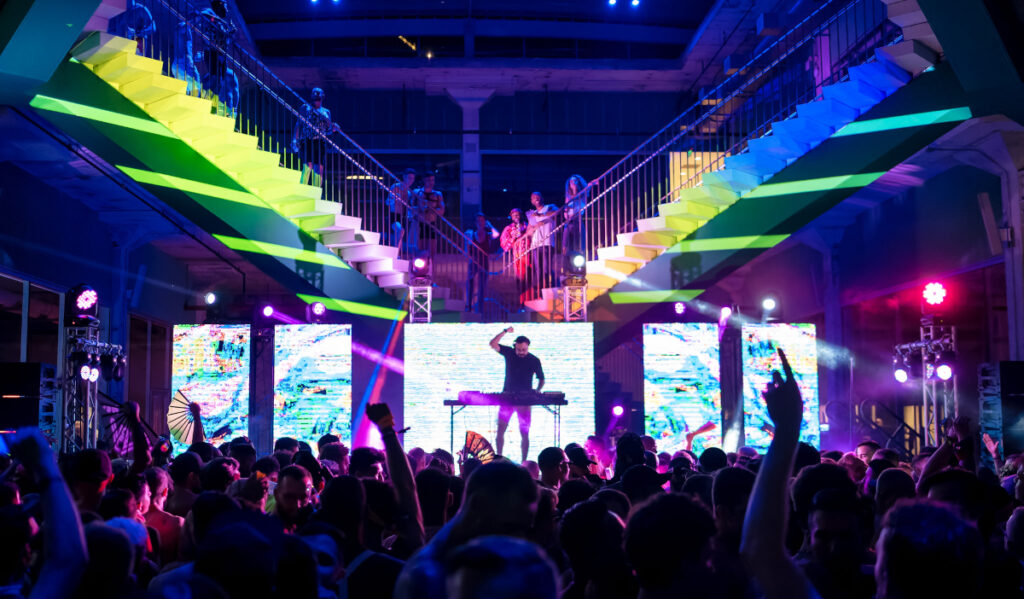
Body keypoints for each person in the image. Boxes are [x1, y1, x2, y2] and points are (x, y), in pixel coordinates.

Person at [489, 327, 546, 462]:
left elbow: (541, 379)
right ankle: (499, 458)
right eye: (519, 350)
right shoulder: (509, 353)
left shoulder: (534, 360)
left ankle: (524, 462)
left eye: (524, 350)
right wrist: (504, 331)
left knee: (524, 433)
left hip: (525, 399)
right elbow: (492, 344)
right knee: (500, 430)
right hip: (507, 396)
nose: (521, 352)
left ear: (528, 348)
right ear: (515, 347)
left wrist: (537, 391)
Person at [291, 87, 342, 188]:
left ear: (322, 96)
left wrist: (334, 128)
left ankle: (316, 192)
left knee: (319, 168)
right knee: (308, 165)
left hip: (320, 141)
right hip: (307, 140)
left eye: (319, 93)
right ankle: (302, 189)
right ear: (311, 95)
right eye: (314, 92)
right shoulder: (305, 107)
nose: (317, 94)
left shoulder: (326, 112)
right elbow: (299, 124)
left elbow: (327, 130)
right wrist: (294, 139)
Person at [464, 213, 499, 314]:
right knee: (470, 282)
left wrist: (490, 225)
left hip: (484, 260)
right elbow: (467, 248)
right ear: (475, 222)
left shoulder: (488, 234)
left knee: (482, 285)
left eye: (482, 220)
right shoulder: (471, 233)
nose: (480, 222)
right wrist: (469, 256)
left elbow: (496, 234)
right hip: (474, 260)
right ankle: (469, 306)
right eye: (478, 220)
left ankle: (480, 308)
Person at [525, 192, 559, 294]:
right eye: (533, 197)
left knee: (546, 268)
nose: (536, 198)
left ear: (541, 197)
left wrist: (541, 215)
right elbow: (529, 232)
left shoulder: (549, 207)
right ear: (532, 201)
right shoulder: (533, 214)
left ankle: (552, 291)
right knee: (538, 270)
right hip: (535, 244)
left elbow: (557, 212)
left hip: (547, 242)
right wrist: (532, 227)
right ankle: (541, 293)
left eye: (537, 196)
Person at [500, 208, 531, 309]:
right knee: (520, 280)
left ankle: (528, 303)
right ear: (511, 217)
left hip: (530, 255)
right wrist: (513, 238)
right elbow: (504, 245)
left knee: (529, 280)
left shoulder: (528, 225)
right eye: (514, 215)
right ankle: (522, 303)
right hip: (518, 257)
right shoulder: (508, 229)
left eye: (518, 215)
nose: (517, 217)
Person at [415, 172, 445, 256]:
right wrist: (421, 209)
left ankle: (431, 267)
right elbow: (411, 208)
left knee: (431, 251)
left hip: (432, 224)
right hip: (419, 224)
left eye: (432, 180)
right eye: (429, 180)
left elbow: (442, 211)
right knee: (419, 250)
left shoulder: (438, 194)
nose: (431, 182)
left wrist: (431, 208)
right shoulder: (417, 192)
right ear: (424, 180)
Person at [388, 169, 418, 249]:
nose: (411, 180)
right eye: (409, 178)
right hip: (394, 215)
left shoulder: (409, 192)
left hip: (403, 217)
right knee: (400, 231)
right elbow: (388, 202)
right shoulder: (396, 186)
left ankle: (396, 253)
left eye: (412, 178)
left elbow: (408, 207)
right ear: (404, 177)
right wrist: (394, 199)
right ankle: (395, 253)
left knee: (401, 234)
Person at [561, 174, 588, 256]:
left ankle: (580, 257)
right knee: (565, 243)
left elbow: (589, 185)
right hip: (569, 221)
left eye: (575, 181)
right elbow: (565, 210)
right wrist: (566, 212)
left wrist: (595, 181)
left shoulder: (583, 193)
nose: (573, 183)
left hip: (578, 219)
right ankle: (566, 258)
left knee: (579, 243)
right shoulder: (568, 196)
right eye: (571, 181)